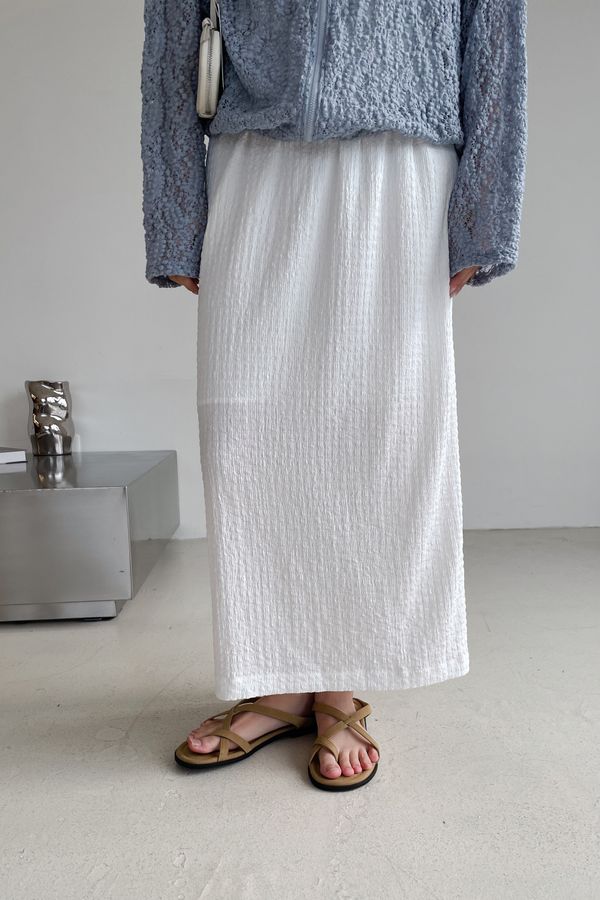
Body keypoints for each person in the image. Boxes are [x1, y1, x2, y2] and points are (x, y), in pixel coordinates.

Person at [140, 0, 528, 792]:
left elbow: (494, 37)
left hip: (401, 159)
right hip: (254, 156)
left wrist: (486, 213)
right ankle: (278, 677)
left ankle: (340, 681)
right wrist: (175, 216)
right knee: (248, 430)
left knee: (375, 430)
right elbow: (170, 37)